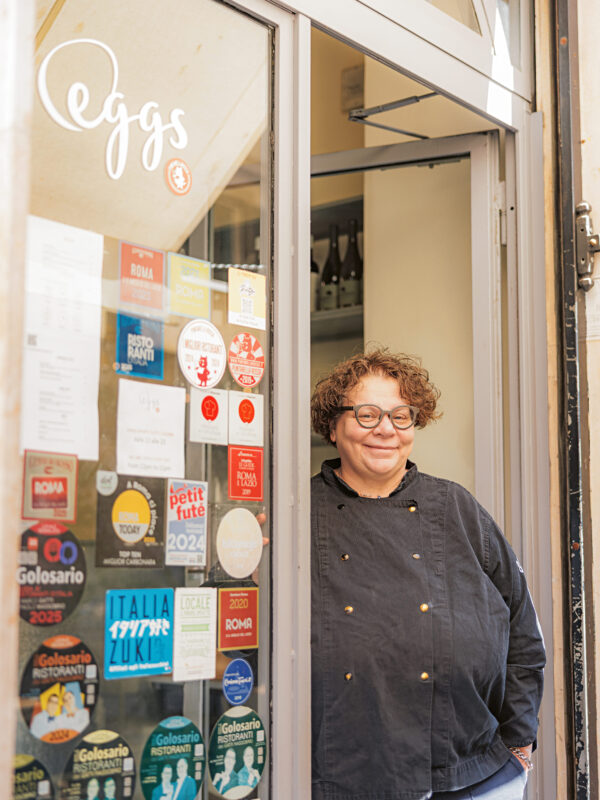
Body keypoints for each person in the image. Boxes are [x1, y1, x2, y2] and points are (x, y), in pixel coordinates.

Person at [310, 350, 546, 800]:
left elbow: (522, 627)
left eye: (401, 416)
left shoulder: (456, 507)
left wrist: (520, 742)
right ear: (333, 426)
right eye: (367, 414)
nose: (386, 429)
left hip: (475, 771)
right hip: (342, 780)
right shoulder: (296, 514)